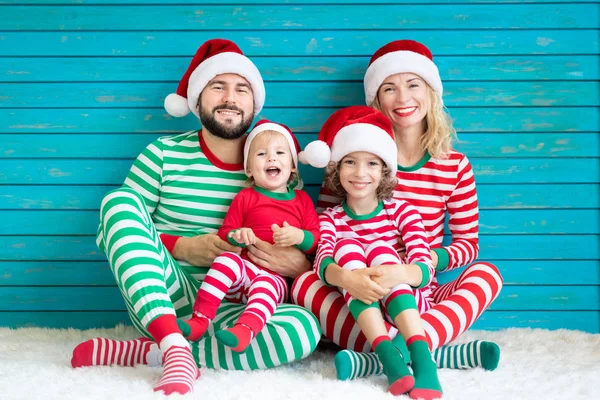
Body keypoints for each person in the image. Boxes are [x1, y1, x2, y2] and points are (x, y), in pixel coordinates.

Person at [70, 39, 320, 396]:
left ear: (255, 102)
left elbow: (313, 237)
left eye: (241, 89)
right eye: (217, 87)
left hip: (242, 305)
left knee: (302, 329)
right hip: (166, 296)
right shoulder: (161, 154)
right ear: (197, 99)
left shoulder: (274, 164)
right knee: (118, 201)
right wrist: (184, 247)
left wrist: (298, 265)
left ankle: (153, 353)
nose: (230, 98)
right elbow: (115, 229)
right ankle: (171, 342)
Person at [293, 39, 504, 380]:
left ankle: (384, 356)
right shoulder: (353, 163)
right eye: (389, 88)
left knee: (488, 275)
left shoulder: (455, 166)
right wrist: (355, 278)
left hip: (420, 291)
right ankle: (431, 353)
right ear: (377, 99)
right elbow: (325, 237)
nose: (403, 98)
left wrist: (411, 270)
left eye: (413, 84)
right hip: (358, 292)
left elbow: (468, 244)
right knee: (303, 283)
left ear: (431, 93)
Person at [306, 106, 443, 399]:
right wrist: (347, 278)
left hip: (407, 306)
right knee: (346, 246)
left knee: (380, 248)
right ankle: (389, 356)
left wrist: (396, 272)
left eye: (371, 164)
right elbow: (321, 261)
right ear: (337, 169)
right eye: (350, 162)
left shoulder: (402, 211)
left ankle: (420, 357)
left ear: (384, 172)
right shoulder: (330, 218)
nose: (359, 173)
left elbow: (424, 263)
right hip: (359, 310)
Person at [177, 120, 320, 353]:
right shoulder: (245, 197)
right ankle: (199, 320)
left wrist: (298, 236)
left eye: (280, 153)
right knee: (225, 260)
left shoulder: (302, 201)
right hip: (243, 272)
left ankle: (245, 330)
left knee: (266, 286)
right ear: (249, 169)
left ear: (293, 166)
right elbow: (226, 231)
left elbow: (315, 239)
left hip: (276, 279)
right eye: (262, 154)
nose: (271, 159)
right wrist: (238, 235)